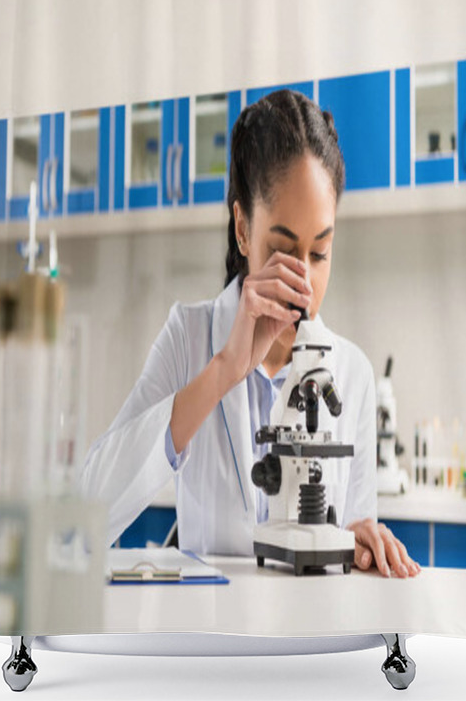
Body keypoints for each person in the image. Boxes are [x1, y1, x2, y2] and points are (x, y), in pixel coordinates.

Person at [80, 89, 420, 579]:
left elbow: (348, 547)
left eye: (320, 254)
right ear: (242, 228)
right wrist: (224, 370)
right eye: (283, 249)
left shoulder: (352, 373)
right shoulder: (190, 338)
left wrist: (364, 543)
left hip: (310, 644)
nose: (303, 280)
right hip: (214, 640)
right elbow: (88, 514)